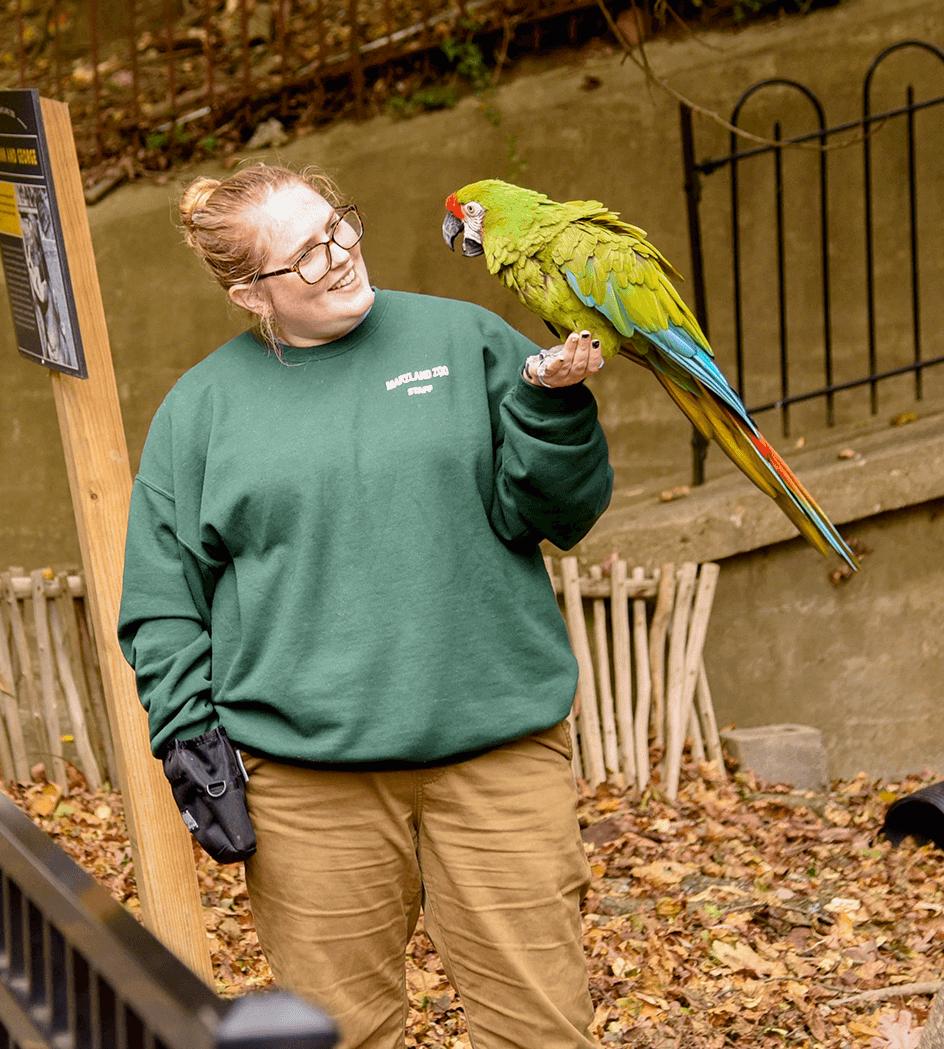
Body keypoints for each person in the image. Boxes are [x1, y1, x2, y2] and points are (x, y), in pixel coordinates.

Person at [117, 164, 614, 1049]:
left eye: (338, 228)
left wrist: (556, 414)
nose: (340, 257)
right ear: (248, 293)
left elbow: (558, 514)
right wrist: (189, 737)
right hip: (308, 793)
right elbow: (162, 600)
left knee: (543, 1033)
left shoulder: (467, 340)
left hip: (496, 758)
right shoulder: (202, 409)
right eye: (304, 256)